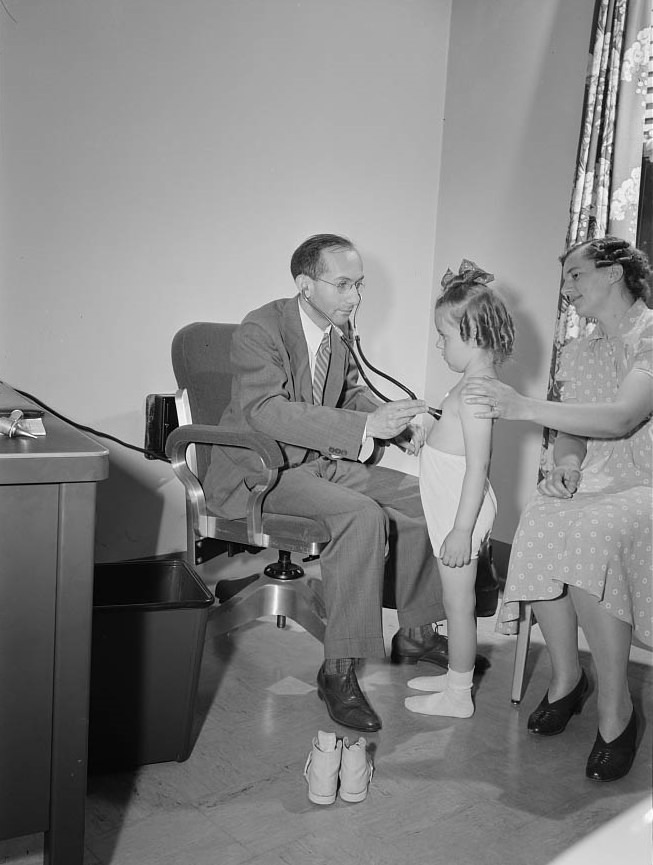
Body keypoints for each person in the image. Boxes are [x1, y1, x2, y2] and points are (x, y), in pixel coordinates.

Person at [203, 233, 457, 733]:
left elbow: (345, 393)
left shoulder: (337, 334)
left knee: (426, 498)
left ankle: (417, 631)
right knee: (361, 517)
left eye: (357, 285)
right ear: (305, 284)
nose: (355, 298)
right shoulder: (261, 328)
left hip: (318, 461)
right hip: (263, 470)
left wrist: (394, 422)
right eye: (343, 285)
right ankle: (339, 671)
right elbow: (264, 410)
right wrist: (364, 429)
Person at [463, 236, 652, 780]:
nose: (567, 290)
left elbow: (620, 419)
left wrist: (521, 405)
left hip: (647, 479)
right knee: (540, 522)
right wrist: (566, 464)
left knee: (593, 533)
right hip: (597, 478)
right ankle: (568, 679)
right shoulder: (579, 349)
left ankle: (618, 713)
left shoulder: (651, 336)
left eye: (575, 276)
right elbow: (572, 430)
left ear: (614, 273)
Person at [405, 260, 514, 718]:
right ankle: (454, 675)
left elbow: (478, 465)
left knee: (458, 604)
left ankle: (458, 694)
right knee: (455, 601)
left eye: (445, 336)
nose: (439, 344)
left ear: (473, 336)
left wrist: (461, 531)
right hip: (453, 504)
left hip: (460, 510)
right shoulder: (466, 385)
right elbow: (453, 442)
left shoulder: (475, 392)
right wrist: (426, 432)